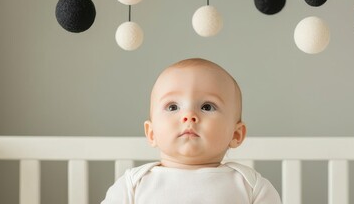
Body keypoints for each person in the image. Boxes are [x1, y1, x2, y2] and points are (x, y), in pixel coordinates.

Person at [101, 58, 281, 204]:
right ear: (151, 132)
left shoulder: (251, 186)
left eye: (207, 106)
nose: (189, 116)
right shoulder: (133, 185)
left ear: (236, 135)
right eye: (172, 107)